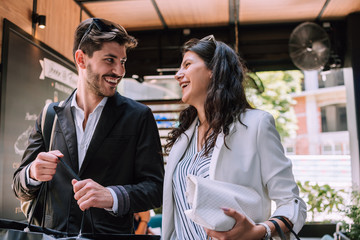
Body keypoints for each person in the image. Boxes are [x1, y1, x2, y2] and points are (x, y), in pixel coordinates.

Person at [12, 18, 164, 235]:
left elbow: (156, 189)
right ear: (81, 59)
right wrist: (33, 173)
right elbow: (19, 185)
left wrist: (111, 196)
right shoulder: (49, 116)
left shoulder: (139, 117)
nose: (119, 71)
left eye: (122, 61)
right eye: (110, 60)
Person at [161, 35, 307, 240]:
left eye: (187, 65)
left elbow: (291, 202)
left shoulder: (257, 125)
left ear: (214, 70)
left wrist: (260, 231)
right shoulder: (183, 137)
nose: (178, 75)